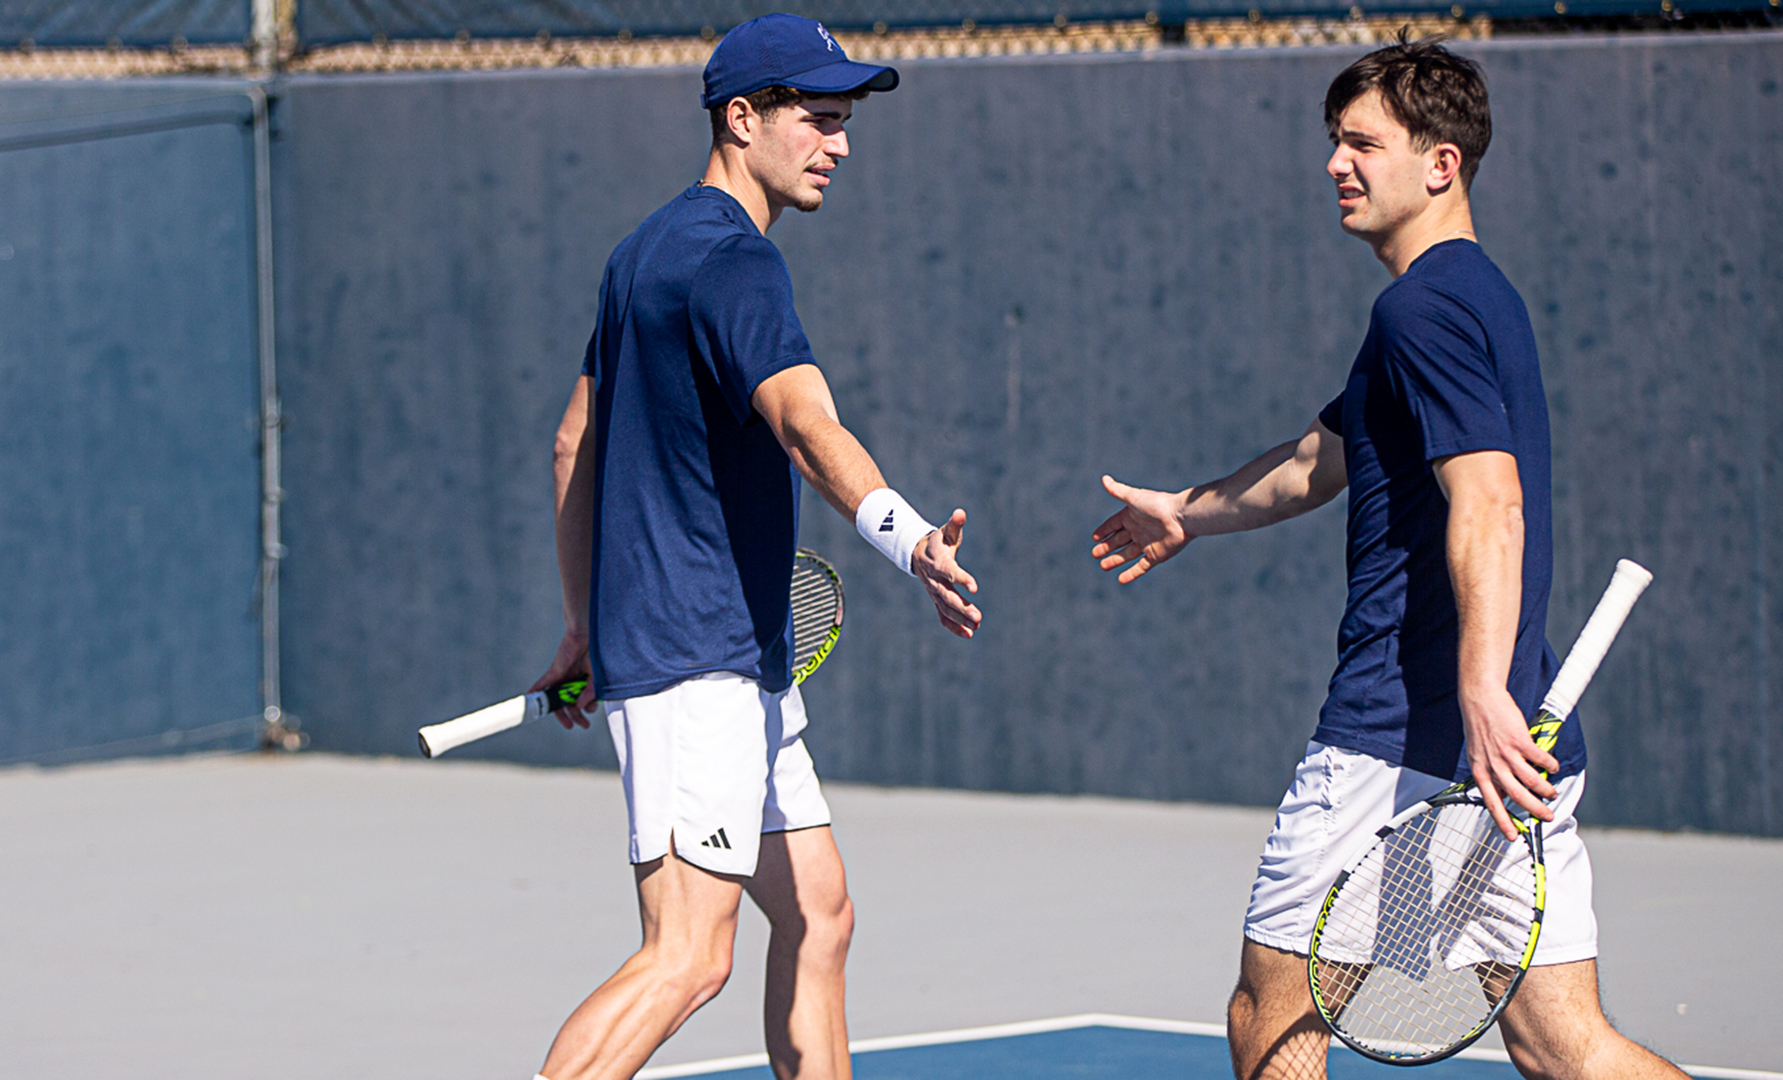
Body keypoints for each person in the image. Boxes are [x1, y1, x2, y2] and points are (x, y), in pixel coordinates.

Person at [1091, 34, 1686, 1080]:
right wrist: (1185, 511)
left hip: (1399, 746)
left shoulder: (1422, 310)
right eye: (1335, 141)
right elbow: (1315, 462)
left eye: (1363, 144)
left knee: (1275, 1020)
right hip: (1511, 752)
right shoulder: (1468, 298)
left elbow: (1490, 501)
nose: (1336, 163)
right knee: (1565, 1046)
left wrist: (1479, 693)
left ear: (1440, 163)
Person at [529, 15, 982, 1080]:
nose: (840, 143)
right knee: (687, 956)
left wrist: (585, 623)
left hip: (723, 656)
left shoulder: (641, 254)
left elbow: (572, 443)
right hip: (699, 663)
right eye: (817, 118)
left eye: (845, 120)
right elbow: (805, 426)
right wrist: (907, 538)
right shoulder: (738, 263)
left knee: (820, 912)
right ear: (742, 119)